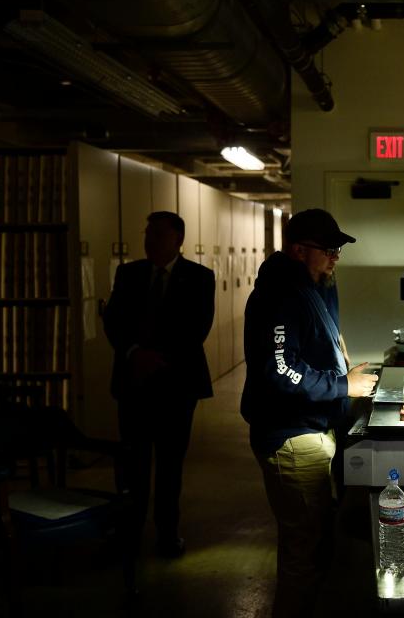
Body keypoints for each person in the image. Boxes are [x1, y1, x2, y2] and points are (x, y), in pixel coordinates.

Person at [240, 208, 378, 617]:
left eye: (339, 249)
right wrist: (342, 386)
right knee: (304, 551)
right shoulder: (280, 294)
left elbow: (325, 340)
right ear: (299, 250)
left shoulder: (315, 285)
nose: (336, 256)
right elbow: (280, 371)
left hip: (315, 427)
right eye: (329, 249)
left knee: (316, 542)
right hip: (291, 436)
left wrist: (345, 372)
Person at [103, 211, 215, 558]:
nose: (149, 241)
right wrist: (135, 352)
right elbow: (114, 321)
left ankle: (168, 532)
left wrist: (158, 358)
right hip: (134, 381)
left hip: (177, 385)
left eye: (158, 235)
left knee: (170, 465)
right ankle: (129, 531)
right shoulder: (128, 273)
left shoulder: (199, 277)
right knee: (132, 463)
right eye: (147, 234)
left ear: (177, 239)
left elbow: (197, 327)